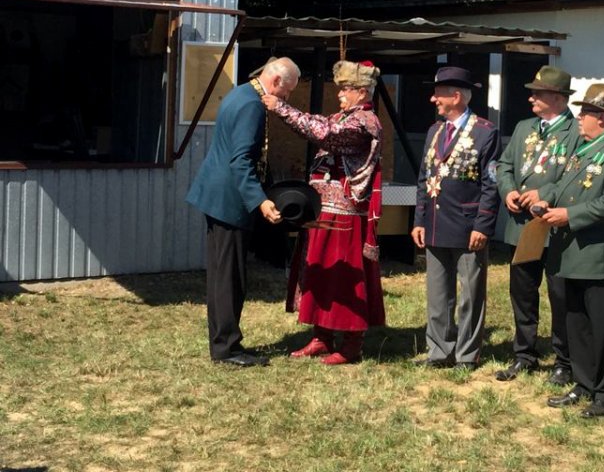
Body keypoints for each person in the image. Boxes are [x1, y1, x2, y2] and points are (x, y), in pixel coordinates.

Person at [262, 59, 386, 365]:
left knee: (344, 278)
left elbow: (325, 134)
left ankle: (352, 344)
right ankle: (322, 337)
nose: (340, 95)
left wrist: (281, 107)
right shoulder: (345, 117)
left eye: (345, 90)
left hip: (346, 213)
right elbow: (323, 125)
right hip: (323, 209)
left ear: (361, 92)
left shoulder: (365, 122)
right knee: (318, 273)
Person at [186, 56, 301, 367]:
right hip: (229, 199)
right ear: (276, 81)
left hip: (221, 195)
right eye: (287, 92)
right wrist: (261, 201)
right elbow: (240, 161)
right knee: (229, 277)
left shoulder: (242, 93)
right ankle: (226, 348)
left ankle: (225, 341)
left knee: (225, 274)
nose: (285, 99)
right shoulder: (252, 105)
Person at [535, 82, 604, 418]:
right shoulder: (585, 148)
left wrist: (569, 215)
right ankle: (583, 383)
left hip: (601, 256)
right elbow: (566, 185)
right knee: (576, 322)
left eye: (586, 113)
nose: (579, 118)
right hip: (572, 254)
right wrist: (545, 196)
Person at [411, 66, 501, 371]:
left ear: (456, 96)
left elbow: (491, 184)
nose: (433, 99)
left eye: (438, 94)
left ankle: (466, 354)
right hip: (435, 224)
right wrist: (419, 220)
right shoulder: (434, 131)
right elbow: (424, 178)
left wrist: (483, 225)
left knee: (470, 294)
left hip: (467, 225)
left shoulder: (485, 131)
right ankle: (438, 351)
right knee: (438, 293)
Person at [494, 65, 579, 386]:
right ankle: (524, 355)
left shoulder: (575, 132)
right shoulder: (524, 127)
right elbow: (504, 166)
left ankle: (563, 361)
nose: (531, 98)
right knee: (523, 293)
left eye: (538, 93)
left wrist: (543, 194)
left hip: (555, 228)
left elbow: (573, 176)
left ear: (557, 98)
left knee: (560, 296)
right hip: (521, 227)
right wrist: (509, 191)